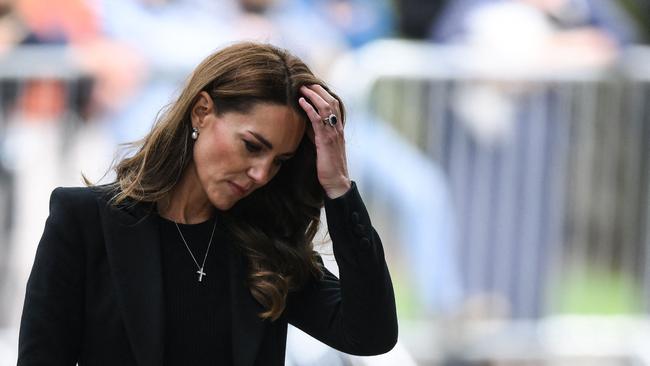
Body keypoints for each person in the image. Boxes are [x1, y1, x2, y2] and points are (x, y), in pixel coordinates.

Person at [16, 42, 398, 365]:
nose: (262, 174)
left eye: (279, 160)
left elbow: (371, 335)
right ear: (202, 111)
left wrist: (338, 187)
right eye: (252, 146)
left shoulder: (266, 248)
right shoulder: (84, 222)